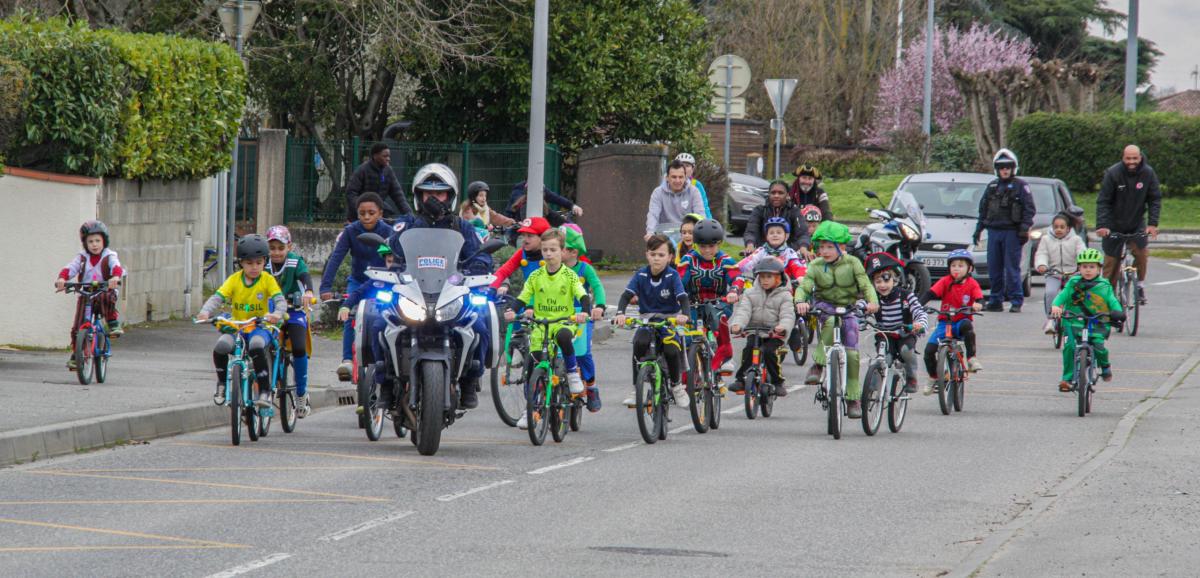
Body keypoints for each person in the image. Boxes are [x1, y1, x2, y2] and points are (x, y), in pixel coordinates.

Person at [388, 163, 494, 410]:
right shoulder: (408, 223)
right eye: (428, 193)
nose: (433, 198)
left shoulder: (461, 226)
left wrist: (478, 267)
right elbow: (389, 248)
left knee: (480, 325)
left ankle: (470, 380)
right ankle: (384, 383)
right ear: (418, 196)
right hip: (413, 292)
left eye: (440, 193)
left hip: (449, 293)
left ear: (451, 196)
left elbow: (480, 255)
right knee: (380, 322)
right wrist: (389, 265)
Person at [505, 229, 592, 428]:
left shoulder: (569, 276)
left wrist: (585, 312)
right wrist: (513, 311)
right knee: (533, 363)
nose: (548, 254)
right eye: (545, 250)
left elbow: (582, 295)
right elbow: (523, 297)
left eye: (553, 250)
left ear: (562, 251)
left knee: (563, 336)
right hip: (540, 325)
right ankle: (531, 409)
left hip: (563, 322)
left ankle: (572, 373)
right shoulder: (536, 276)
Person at [794, 221, 878, 418]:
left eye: (830, 247)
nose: (824, 251)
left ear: (842, 247)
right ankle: (818, 365)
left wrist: (872, 301)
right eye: (821, 247)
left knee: (852, 354)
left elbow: (866, 285)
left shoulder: (853, 263)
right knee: (831, 322)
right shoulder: (815, 265)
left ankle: (852, 399)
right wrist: (800, 301)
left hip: (848, 308)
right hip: (825, 307)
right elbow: (805, 286)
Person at [196, 235, 285, 407]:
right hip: (237, 327)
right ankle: (222, 383)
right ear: (241, 263)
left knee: (257, 345)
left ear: (265, 262)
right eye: (249, 263)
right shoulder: (234, 280)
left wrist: (277, 313)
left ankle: (265, 391)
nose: (254, 267)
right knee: (221, 347)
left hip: (259, 327)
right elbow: (217, 297)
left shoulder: (267, 279)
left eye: (259, 262)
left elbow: (280, 300)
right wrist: (205, 312)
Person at [319, 192, 393, 381]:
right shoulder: (351, 232)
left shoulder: (388, 232)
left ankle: (388, 358)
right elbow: (336, 257)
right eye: (362, 213)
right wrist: (325, 287)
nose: (366, 217)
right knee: (349, 315)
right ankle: (346, 360)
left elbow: (391, 259)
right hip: (358, 280)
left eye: (371, 213)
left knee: (388, 315)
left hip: (382, 281)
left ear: (380, 213)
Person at [615, 235, 692, 408]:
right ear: (647, 255)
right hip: (647, 320)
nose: (656, 258)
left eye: (661, 255)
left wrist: (685, 316)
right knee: (639, 343)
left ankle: (676, 386)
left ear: (670, 257)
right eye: (653, 254)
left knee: (672, 349)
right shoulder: (641, 274)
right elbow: (626, 296)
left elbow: (683, 298)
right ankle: (637, 389)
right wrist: (620, 313)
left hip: (668, 320)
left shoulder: (672, 275)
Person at [1095, 144, 1161, 304]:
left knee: (1142, 254)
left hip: (1136, 223)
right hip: (1113, 225)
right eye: (1128, 158)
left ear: (1140, 157)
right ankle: (1107, 302)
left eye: (1135, 158)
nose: (1132, 162)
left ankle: (1139, 285)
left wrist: (1152, 224)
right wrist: (1102, 225)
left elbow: (1154, 199)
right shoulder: (1113, 173)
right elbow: (1103, 201)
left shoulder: (1148, 173)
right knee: (1110, 265)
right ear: (1123, 158)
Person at [55, 220, 126, 370]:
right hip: (86, 291)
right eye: (90, 241)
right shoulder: (82, 257)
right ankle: (77, 354)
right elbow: (71, 268)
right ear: (85, 243)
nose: (94, 245)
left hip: (104, 288)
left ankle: (112, 322)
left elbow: (116, 267)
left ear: (104, 241)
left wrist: (115, 277)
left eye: (97, 241)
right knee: (77, 327)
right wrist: (62, 279)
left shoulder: (109, 255)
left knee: (106, 296)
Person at [678, 219, 740, 390]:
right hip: (692, 304)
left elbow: (737, 277)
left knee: (718, 318)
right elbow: (679, 280)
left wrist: (734, 290)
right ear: (696, 244)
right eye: (702, 246)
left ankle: (725, 354)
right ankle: (690, 373)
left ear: (719, 244)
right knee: (687, 337)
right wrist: (676, 295)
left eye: (711, 246)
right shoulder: (688, 259)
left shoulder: (725, 260)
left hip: (719, 303)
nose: (706, 250)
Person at [972, 148, 1035, 313]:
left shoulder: (1021, 186)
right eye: (1001, 167)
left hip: (1012, 232)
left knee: (1012, 268)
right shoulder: (992, 186)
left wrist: (1024, 229)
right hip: (994, 232)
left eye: (1008, 167)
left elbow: (1029, 209)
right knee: (994, 268)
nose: (1005, 170)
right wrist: (978, 230)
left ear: (1013, 168)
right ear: (997, 169)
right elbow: (983, 209)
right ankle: (995, 300)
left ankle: (1016, 300)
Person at [1051, 248, 1123, 391]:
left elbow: (1112, 301)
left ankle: (1105, 366)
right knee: (1069, 347)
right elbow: (1062, 295)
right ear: (1079, 268)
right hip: (1073, 321)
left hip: (1097, 322)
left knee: (1099, 347)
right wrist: (1056, 306)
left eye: (1092, 267)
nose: (1088, 270)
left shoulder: (1104, 285)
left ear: (1099, 268)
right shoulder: (1073, 282)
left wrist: (1118, 312)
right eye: (1084, 267)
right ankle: (1067, 379)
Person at [265, 226, 316, 417]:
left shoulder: (295, 261)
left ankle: (301, 393)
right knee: (265, 346)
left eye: (281, 248)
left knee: (299, 348)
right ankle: (266, 387)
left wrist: (308, 292)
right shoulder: (263, 264)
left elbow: (305, 277)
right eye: (272, 248)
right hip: (272, 313)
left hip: (294, 311)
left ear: (289, 247)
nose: (276, 252)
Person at [860, 253, 928, 393]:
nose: (882, 285)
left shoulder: (906, 295)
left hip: (905, 333)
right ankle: (870, 391)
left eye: (886, 280)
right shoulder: (874, 298)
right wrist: (860, 314)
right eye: (878, 281)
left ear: (895, 279)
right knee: (883, 358)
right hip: (884, 335)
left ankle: (911, 377)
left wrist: (920, 324)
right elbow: (860, 306)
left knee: (906, 351)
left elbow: (919, 311)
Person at [920, 249, 984, 395]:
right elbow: (930, 294)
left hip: (961, 320)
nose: (956, 269)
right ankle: (934, 377)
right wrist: (918, 305)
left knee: (967, 326)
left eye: (961, 266)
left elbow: (980, 298)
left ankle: (971, 358)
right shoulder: (945, 281)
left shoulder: (972, 283)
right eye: (953, 265)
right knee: (929, 351)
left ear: (970, 269)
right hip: (945, 323)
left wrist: (978, 304)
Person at [729, 258, 794, 395]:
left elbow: (787, 315)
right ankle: (741, 380)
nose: (765, 280)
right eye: (762, 276)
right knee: (749, 349)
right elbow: (743, 311)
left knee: (769, 352)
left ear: (778, 277)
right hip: (755, 330)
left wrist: (782, 327)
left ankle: (777, 382)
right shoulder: (750, 293)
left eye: (769, 277)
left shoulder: (785, 295)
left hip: (774, 333)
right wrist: (737, 325)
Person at [562, 226, 607, 412]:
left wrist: (599, 306)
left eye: (561, 247)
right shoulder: (552, 269)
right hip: (560, 314)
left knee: (582, 353)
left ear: (573, 252)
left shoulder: (584, 269)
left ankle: (591, 386)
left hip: (582, 315)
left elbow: (597, 286)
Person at [1034, 213, 1087, 334]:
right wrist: (1042, 265)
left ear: (1068, 228)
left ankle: (1078, 318)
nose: (1059, 229)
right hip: (1054, 273)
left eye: (1062, 227)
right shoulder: (1046, 239)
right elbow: (1041, 254)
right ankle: (1051, 319)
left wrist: (1082, 265)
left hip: (1073, 273)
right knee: (1050, 292)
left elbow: (1082, 253)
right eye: (1056, 227)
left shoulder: (1076, 240)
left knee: (1077, 294)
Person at [344, 143, 411, 221]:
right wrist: (364, 210)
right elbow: (351, 193)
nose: (388, 159)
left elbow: (398, 195)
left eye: (389, 156)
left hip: (379, 215)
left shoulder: (388, 171)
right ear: (375, 156)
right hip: (358, 217)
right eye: (385, 156)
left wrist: (409, 214)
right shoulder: (362, 170)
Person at [735, 217, 807, 288]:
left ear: (786, 236)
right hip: (762, 288)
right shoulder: (761, 251)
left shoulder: (790, 253)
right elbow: (748, 262)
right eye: (771, 233)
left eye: (779, 232)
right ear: (767, 236)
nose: (775, 235)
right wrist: (735, 268)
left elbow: (798, 267)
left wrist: (801, 276)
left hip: (784, 288)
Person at [645, 160, 706, 241]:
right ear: (667, 177)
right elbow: (653, 214)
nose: (677, 180)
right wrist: (650, 232)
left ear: (685, 177)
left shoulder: (694, 191)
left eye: (681, 177)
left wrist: (702, 232)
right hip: (664, 237)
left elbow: (700, 214)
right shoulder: (658, 192)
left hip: (687, 236)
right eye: (674, 177)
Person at [745, 180, 810, 253]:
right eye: (773, 193)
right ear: (769, 194)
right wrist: (750, 245)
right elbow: (751, 231)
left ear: (787, 195)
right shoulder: (759, 210)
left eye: (780, 193)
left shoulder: (794, 211)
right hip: (763, 252)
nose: (776, 196)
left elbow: (802, 233)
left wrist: (803, 248)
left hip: (789, 252)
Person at [491, 216, 551, 293]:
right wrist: (491, 288)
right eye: (523, 235)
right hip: (529, 296)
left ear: (543, 238)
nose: (525, 240)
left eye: (530, 236)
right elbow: (503, 272)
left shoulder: (554, 254)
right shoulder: (522, 253)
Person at [506, 180, 583, 222]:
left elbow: (556, 198)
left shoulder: (541, 203)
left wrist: (572, 206)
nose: (543, 193)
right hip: (517, 231)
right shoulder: (523, 203)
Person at [674, 152, 712, 219]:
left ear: (693, 169)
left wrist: (709, 222)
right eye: (681, 165)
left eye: (687, 166)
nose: (684, 168)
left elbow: (704, 207)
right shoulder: (667, 184)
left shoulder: (696, 185)